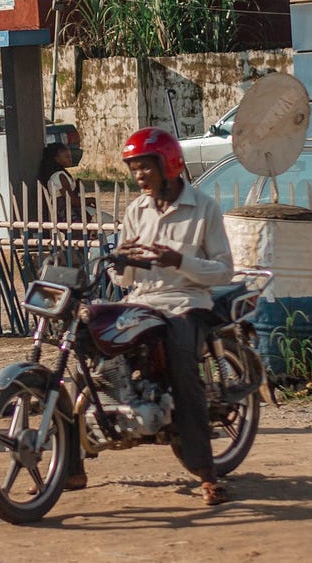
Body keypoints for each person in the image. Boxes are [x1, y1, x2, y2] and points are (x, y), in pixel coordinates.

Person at [109, 126, 234, 507]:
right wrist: (122, 261)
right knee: (86, 352)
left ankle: (207, 472)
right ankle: (70, 464)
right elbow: (121, 277)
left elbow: (225, 270)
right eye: (134, 168)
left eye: (146, 166)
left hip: (186, 302)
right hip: (142, 301)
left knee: (182, 367)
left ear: (169, 164)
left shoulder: (204, 208)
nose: (139, 175)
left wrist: (178, 261)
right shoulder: (136, 210)